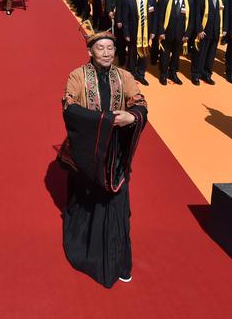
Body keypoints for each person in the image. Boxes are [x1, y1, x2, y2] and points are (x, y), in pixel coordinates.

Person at [57, 21, 148, 287]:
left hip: (115, 153)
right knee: (87, 201)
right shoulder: (77, 76)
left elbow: (139, 102)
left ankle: (118, 259)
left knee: (118, 204)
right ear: (90, 51)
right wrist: (106, 121)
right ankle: (88, 253)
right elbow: (69, 106)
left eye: (110, 47)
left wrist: (132, 116)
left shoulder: (125, 77)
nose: (107, 53)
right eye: (101, 48)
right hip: (86, 152)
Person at [190, 0, 225, 85]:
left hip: (216, 30)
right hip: (203, 30)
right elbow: (196, 14)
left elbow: (226, 13)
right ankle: (196, 74)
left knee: (211, 55)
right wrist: (199, 29)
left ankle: (207, 74)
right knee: (199, 53)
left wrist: (224, 29)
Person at [154, 0, 191, 85]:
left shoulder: (189, 2)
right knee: (164, 56)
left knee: (175, 56)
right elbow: (159, 17)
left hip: (180, 36)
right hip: (166, 34)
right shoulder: (165, 0)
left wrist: (187, 34)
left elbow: (191, 20)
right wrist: (161, 32)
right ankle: (163, 74)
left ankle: (173, 73)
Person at [122, 0, 154, 85]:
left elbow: (155, 16)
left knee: (144, 54)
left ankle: (140, 74)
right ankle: (130, 73)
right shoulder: (129, 1)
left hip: (146, 32)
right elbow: (125, 18)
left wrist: (153, 31)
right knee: (132, 53)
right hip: (133, 32)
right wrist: (126, 33)